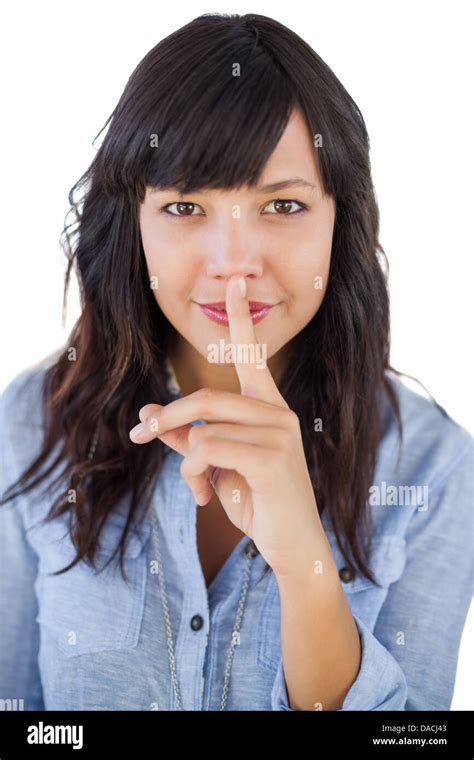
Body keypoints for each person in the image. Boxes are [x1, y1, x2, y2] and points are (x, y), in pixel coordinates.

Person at [1, 13, 472, 711]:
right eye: (185, 205)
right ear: (132, 223)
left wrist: (304, 562)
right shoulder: (30, 424)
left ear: (341, 223)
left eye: (283, 204)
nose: (234, 266)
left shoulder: (433, 468)